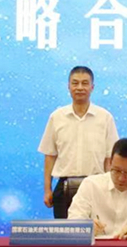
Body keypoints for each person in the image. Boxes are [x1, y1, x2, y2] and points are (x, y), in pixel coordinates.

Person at [37, 66, 119, 218]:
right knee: (65, 232)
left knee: (97, 231)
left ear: (92, 87)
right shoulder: (57, 117)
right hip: (64, 187)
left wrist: (111, 190)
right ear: (68, 86)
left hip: (96, 187)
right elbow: (50, 155)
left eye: (85, 83)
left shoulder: (105, 117)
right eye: (75, 83)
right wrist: (47, 190)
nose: (80, 87)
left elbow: (110, 159)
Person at [67, 138, 127, 239]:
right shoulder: (90, 185)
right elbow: (74, 218)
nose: (121, 178)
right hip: (97, 246)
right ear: (110, 163)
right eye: (116, 170)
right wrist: (85, 226)